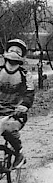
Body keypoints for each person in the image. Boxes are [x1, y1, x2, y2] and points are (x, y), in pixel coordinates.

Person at [0, 39, 35, 168]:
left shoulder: (25, 75)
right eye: (12, 50)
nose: (14, 53)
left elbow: (30, 93)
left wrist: (24, 105)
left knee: (6, 126)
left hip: (15, 113)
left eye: (18, 51)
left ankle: (19, 153)